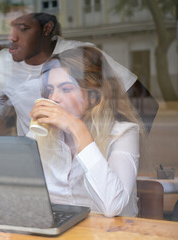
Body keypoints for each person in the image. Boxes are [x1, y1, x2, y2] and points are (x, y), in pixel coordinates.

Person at [0, 12, 155, 136]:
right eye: (10, 28)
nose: (12, 37)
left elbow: (147, 104)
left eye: (22, 28)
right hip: (38, 163)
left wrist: (119, 147)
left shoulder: (79, 54)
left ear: (46, 29)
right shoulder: (4, 62)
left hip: (83, 163)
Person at [29, 46, 145, 217]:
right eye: (49, 90)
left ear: (93, 96)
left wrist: (77, 129)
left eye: (66, 89)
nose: (53, 98)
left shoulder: (124, 133)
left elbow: (113, 205)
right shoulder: (41, 134)